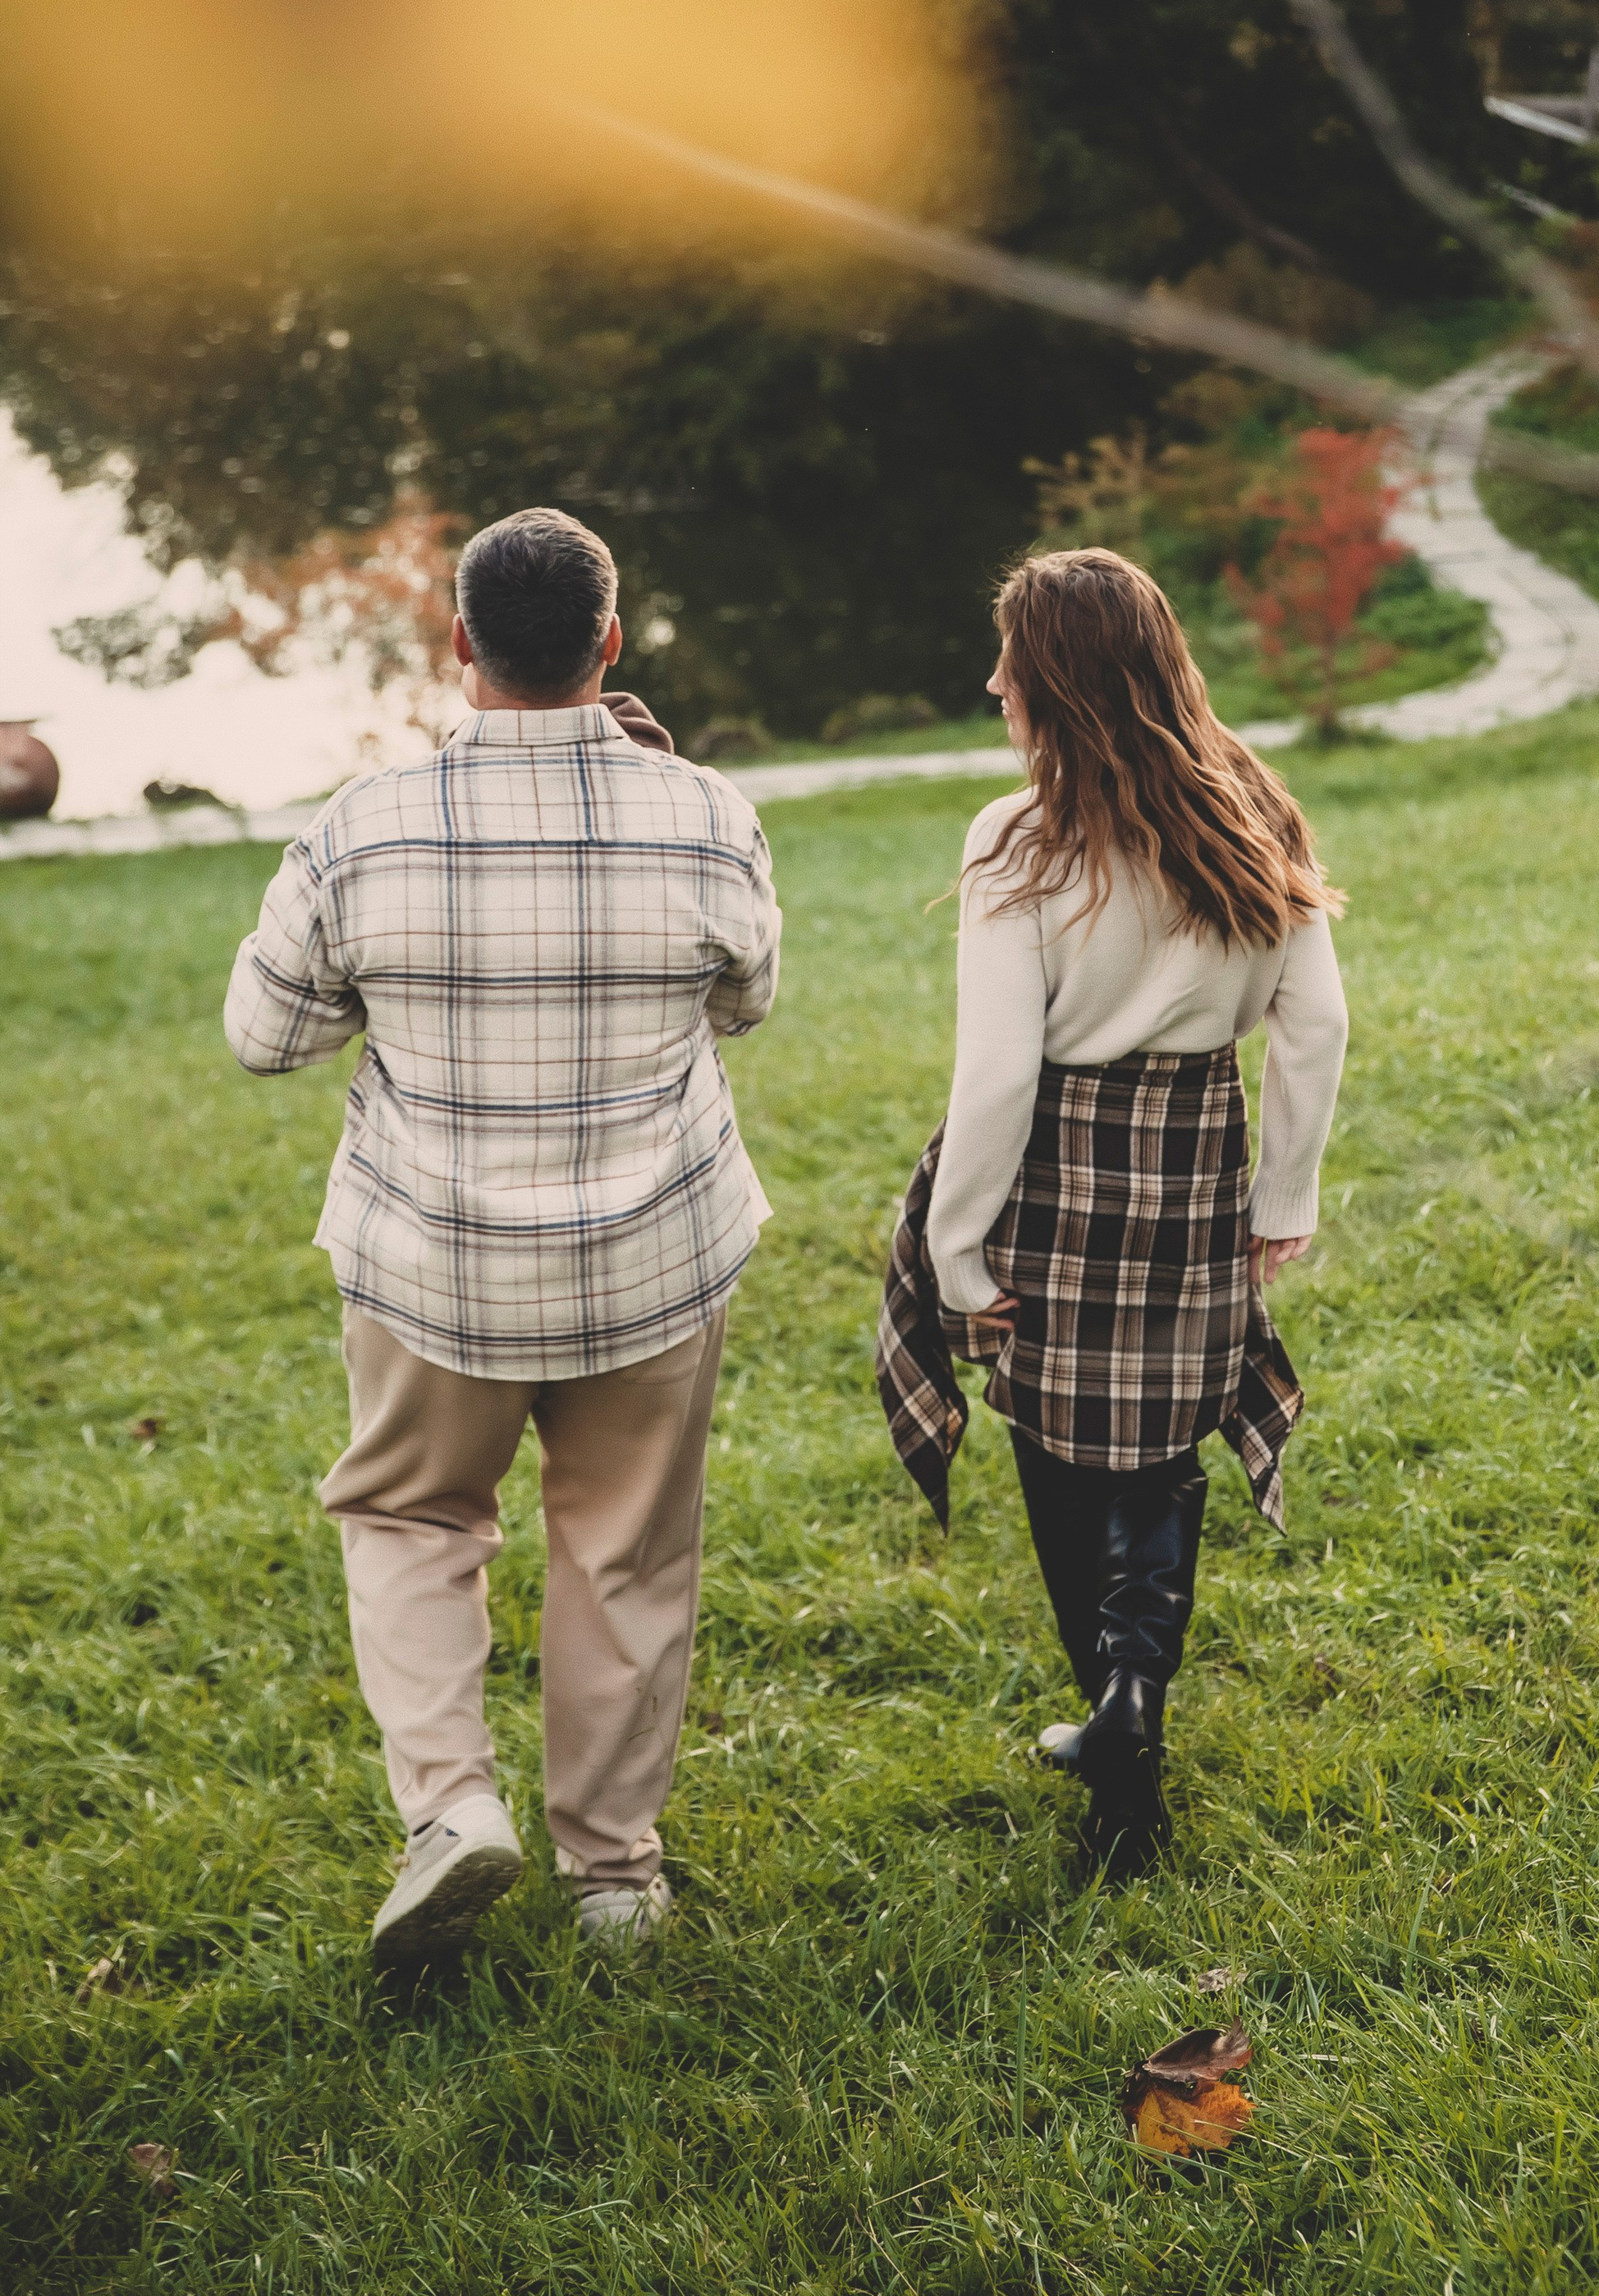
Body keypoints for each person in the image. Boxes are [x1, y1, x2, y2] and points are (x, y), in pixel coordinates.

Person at [223, 509, 779, 1968]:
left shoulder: (360, 823)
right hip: (650, 1260)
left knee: (412, 1517)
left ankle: (453, 1808)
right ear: (611, 641)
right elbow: (746, 999)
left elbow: (262, 1035)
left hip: (432, 1271)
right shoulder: (708, 810)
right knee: (625, 1553)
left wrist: (384, 993)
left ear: (458, 642)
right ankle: (612, 1879)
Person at [878, 548, 1348, 1877]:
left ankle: (1115, 1715)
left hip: (1058, 1162)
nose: (990, 685)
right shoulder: (1256, 803)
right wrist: (1282, 1191)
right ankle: (1131, 1699)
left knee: (1056, 1437)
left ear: (1059, 684)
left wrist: (955, 1244)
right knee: (1159, 1442)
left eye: (1008, 665)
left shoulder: (1018, 835)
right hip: (1196, 1152)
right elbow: (1315, 1021)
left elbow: (999, 1069)